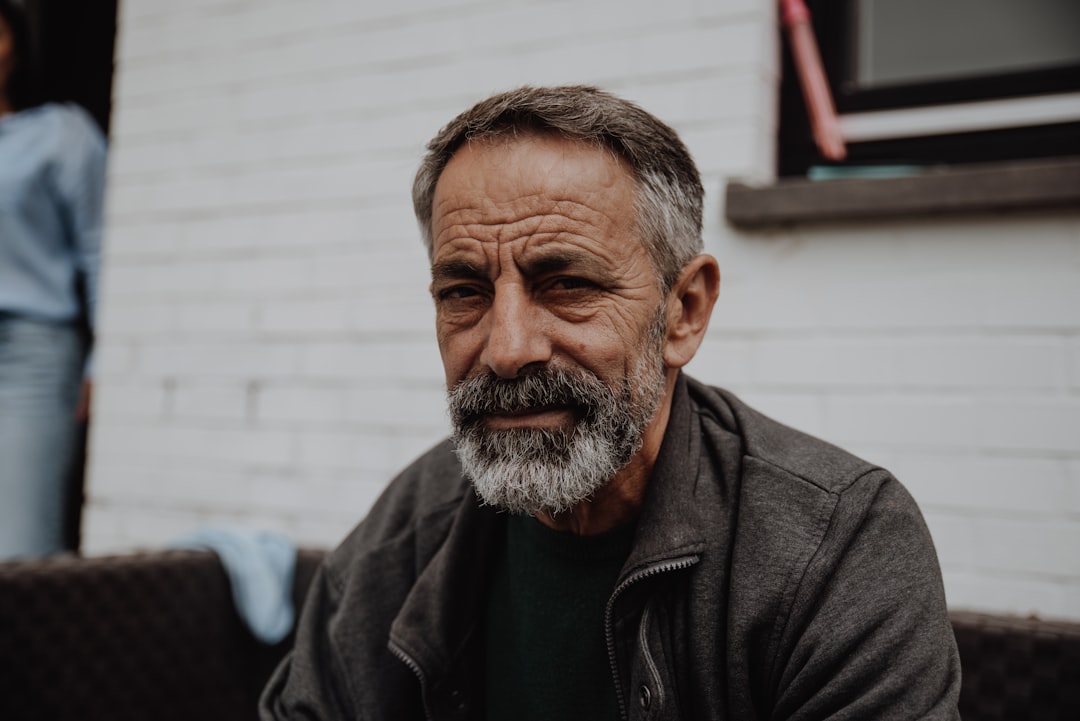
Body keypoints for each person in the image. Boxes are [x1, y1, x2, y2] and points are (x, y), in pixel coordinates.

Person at [261, 85, 960, 720]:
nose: (506, 349)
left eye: (565, 284)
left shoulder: (836, 546)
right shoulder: (408, 532)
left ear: (683, 312)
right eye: (464, 292)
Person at [0, 0, 106, 558]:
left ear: (13, 46)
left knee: (19, 546)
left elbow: (100, 251)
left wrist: (99, 362)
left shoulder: (60, 134)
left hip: (30, 355)